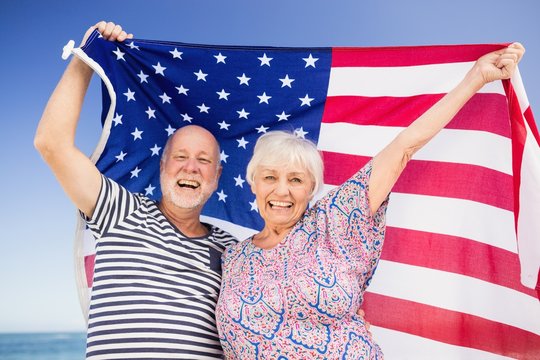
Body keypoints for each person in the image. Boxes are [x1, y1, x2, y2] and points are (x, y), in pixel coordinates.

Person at [215, 43, 525, 358]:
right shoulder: (231, 258)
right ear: (253, 184)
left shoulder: (336, 218)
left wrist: (475, 78)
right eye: (270, 177)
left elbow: (404, 147)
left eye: (295, 179)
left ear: (311, 188)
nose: (282, 191)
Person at [34, 22, 237, 359]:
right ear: (162, 167)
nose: (191, 167)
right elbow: (51, 143)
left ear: (216, 177)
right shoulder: (120, 210)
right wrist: (87, 56)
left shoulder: (232, 250)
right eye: (181, 157)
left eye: (204, 161)